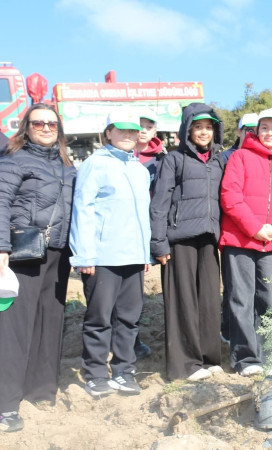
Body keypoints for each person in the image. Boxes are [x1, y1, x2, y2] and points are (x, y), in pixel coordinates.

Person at [0, 104, 76, 432]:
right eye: (38, 123)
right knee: (15, 327)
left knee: (50, 320)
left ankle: (42, 389)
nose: (45, 127)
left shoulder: (67, 166)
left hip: (58, 252)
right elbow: (1, 202)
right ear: (26, 128)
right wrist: (1, 246)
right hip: (25, 250)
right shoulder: (14, 160)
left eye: (51, 123)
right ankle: (6, 403)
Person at [70, 109, 152, 397]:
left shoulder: (140, 170)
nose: (128, 136)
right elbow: (83, 209)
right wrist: (84, 255)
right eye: (122, 130)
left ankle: (123, 370)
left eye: (133, 131)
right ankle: (94, 373)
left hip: (133, 256)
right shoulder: (94, 164)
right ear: (108, 133)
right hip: (102, 256)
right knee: (99, 318)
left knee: (129, 319)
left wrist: (145, 255)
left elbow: (143, 216)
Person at [219, 107, 272, 377]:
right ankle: (245, 358)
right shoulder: (240, 157)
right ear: (256, 131)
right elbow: (230, 195)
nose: (268, 133)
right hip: (240, 241)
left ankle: (269, 353)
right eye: (264, 128)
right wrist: (254, 228)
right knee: (240, 298)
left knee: (268, 299)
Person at [150, 103, 225, 381]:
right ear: (187, 130)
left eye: (208, 127)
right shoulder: (173, 159)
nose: (203, 132)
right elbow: (159, 204)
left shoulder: (219, 160)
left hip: (208, 239)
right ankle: (186, 364)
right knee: (183, 302)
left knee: (207, 300)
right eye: (198, 127)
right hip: (179, 239)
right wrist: (158, 243)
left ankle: (208, 357)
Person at [219, 111, 258, 344]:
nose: (252, 134)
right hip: (235, 232)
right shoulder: (226, 158)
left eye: (256, 129)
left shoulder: (271, 158)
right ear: (239, 131)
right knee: (236, 288)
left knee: (260, 290)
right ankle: (229, 330)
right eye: (248, 129)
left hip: (263, 235)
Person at [131, 108, 165, 360]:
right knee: (127, 288)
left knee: (139, 290)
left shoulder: (163, 159)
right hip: (125, 231)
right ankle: (129, 339)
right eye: (138, 125)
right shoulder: (120, 155)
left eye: (148, 126)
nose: (143, 130)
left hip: (151, 230)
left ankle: (133, 337)